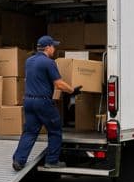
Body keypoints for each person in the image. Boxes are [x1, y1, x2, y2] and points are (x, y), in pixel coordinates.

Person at [12, 35, 82, 171]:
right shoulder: (49, 63)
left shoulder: (29, 61)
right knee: (55, 130)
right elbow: (59, 84)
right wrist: (72, 90)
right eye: (53, 46)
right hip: (43, 102)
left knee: (30, 132)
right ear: (48, 47)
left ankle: (18, 160)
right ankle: (52, 161)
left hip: (28, 101)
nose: (54, 49)